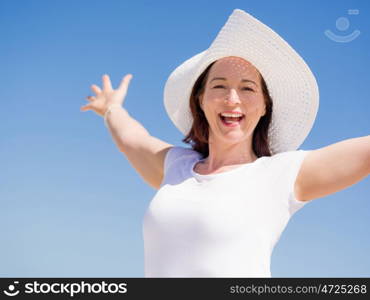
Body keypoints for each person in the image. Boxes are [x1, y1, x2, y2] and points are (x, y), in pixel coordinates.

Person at [80, 9, 370, 277]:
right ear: (200, 100)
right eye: (219, 86)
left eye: (247, 88)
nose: (233, 99)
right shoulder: (175, 167)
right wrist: (111, 109)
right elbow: (133, 138)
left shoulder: (280, 174)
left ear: (265, 106)